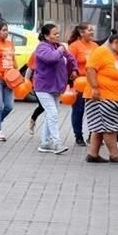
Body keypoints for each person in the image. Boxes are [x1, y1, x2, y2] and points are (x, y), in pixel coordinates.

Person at [84, 31, 118, 164]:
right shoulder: (101, 52)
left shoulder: (112, 55)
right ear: (115, 42)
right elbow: (90, 68)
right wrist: (95, 87)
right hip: (103, 96)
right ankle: (114, 154)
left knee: (99, 126)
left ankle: (93, 154)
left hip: (111, 96)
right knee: (109, 127)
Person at [33, 22, 76, 154]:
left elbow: (70, 58)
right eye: (55, 34)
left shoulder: (58, 46)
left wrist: (74, 69)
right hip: (43, 87)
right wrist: (60, 50)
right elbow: (51, 58)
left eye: (58, 33)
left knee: (50, 115)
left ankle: (45, 143)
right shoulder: (42, 48)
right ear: (46, 36)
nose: (58, 36)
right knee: (53, 114)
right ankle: (57, 143)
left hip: (57, 87)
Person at [66, 23, 96, 147]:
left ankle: (92, 135)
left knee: (93, 110)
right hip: (79, 83)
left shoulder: (95, 46)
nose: (92, 32)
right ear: (81, 32)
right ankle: (78, 136)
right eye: (90, 30)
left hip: (92, 82)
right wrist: (72, 74)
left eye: (92, 30)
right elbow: (69, 63)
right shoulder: (74, 46)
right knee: (79, 110)